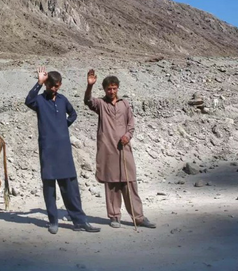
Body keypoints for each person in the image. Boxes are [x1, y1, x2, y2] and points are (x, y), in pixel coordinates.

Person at [25, 66, 100, 234]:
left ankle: (80, 221)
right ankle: (53, 221)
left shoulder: (63, 100)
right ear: (46, 84)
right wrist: (38, 82)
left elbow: (73, 114)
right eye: (52, 85)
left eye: (57, 86)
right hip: (48, 150)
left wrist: (62, 127)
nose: (54, 89)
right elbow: (28, 101)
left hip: (64, 151)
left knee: (71, 188)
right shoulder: (39, 101)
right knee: (49, 187)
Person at [84, 70, 156, 229]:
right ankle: (114, 217)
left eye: (114, 88)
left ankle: (139, 217)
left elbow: (131, 125)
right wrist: (89, 86)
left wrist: (127, 136)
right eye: (109, 89)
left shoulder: (125, 104)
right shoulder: (100, 104)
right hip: (108, 151)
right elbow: (88, 101)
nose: (111, 91)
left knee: (130, 183)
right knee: (112, 185)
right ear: (104, 89)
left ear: (117, 88)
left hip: (124, 150)